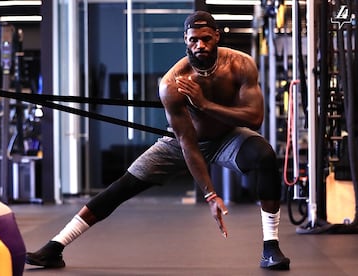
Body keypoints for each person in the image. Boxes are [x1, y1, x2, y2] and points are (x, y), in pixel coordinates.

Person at [26, 10, 290, 271]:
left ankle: (270, 248)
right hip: (181, 141)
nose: (200, 45)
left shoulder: (241, 64)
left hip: (228, 136)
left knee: (264, 155)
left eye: (206, 38)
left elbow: (255, 118)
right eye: (193, 39)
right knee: (121, 187)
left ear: (217, 37)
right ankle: (55, 246)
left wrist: (205, 104)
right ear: (185, 40)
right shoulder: (172, 83)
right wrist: (210, 195)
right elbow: (188, 144)